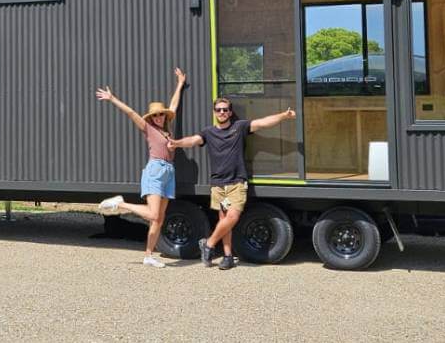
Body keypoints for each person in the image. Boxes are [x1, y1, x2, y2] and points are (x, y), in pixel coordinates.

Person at [170, 97, 296, 270]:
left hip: (236, 183)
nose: (222, 112)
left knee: (232, 217)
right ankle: (228, 257)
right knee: (224, 221)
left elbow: (263, 123)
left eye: (225, 109)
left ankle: (208, 244)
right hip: (218, 184)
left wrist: (284, 115)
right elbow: (192, 140)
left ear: (230, 112)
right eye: (219, 110)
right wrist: (176, 144)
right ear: (214, 112)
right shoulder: (208, 132)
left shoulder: (240, 127)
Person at [95, 68, 187, 268]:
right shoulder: (148, 129)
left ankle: (148, 255)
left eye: (161, 115)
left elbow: (174, 105)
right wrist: (112, 98)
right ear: (151, 118)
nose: (159, 118)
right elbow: (131, 112)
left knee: (158, 220)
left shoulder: (167, 130)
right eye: (155, 116)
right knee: (153, 215)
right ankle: (121, 205)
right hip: (155, 170)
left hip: (169, 173)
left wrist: (180, 83)